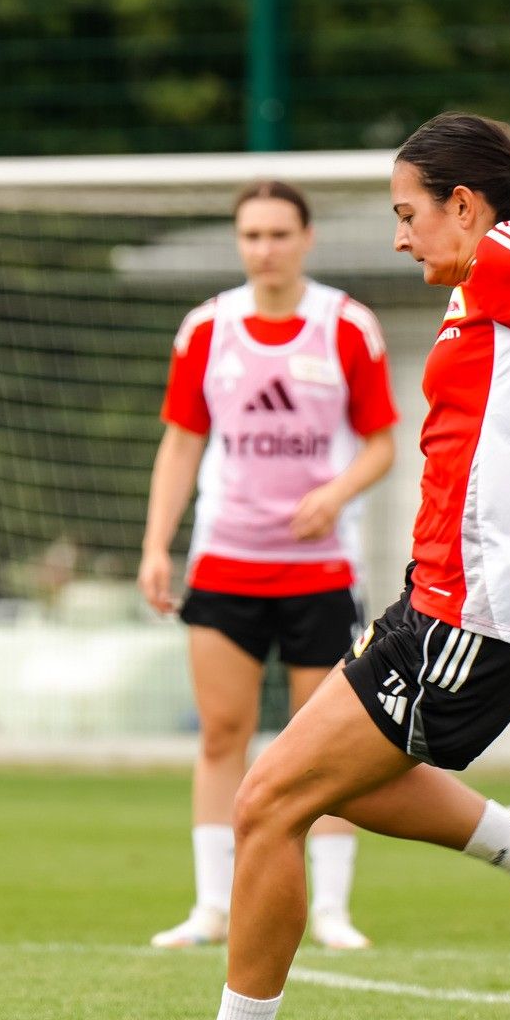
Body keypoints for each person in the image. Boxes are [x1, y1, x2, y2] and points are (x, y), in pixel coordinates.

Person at [109, 113, 510, 1020]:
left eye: (407, 213)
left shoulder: (505, 252)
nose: (400, 236)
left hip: (472, 613)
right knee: (318, 782)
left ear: (462, 202)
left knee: (268, 799)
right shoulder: (485, 286)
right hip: (438, 598)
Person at [138, 180, 399, 953]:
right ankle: (212, 905)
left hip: (320, 570)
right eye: (251, 235)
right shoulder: (206, 330)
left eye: (280, 233)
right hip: (226, 562)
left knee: (330, 744)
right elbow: (182, 441)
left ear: (307, 238)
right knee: (224, 732)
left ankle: (334, 910)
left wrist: (337, 491)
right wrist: (157, 543)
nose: (265, 248)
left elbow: (383, 441)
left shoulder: (346, 326)